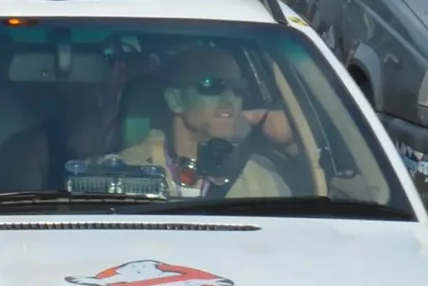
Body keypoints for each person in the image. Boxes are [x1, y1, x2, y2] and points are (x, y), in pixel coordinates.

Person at [69, 45, 301, 201]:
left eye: (237, 88)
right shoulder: (117, 176)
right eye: (212, 86)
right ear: (175, 100)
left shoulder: (264, 184)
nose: (230, 99)